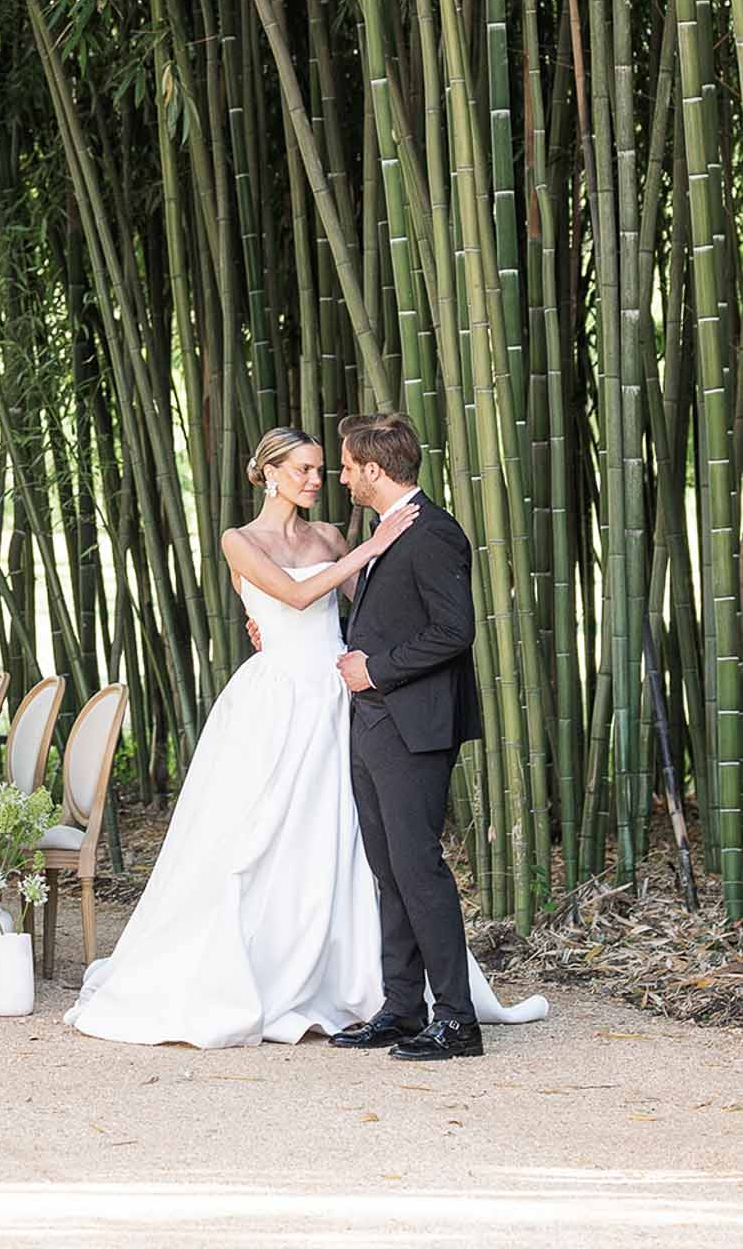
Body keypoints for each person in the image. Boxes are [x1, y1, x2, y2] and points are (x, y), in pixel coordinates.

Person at [63, 422, 545, 1051]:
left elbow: (370, 610)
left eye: (326, 468)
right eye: (306, 470)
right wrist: (346, 566)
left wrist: (360, 600)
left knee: (350, 848)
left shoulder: (337, 535)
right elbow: (291, 594)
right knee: (262, 836)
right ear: (267, 472)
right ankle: (336, 988)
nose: (321, 480)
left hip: (342, 699)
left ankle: (385, 995)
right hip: (280, 703)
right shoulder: (244, 540)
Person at [330, 411, 485, 1060]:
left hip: (414, 726)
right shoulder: (385, 532)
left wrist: (377, 669)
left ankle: (457, 1020)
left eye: (345, 465)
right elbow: (390, 615)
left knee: (418, 870)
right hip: (373, 724)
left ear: (373, 467)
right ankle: (401, 1007)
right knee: (389, 871)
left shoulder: (432, 533)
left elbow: (456, 630)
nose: (340, 477)